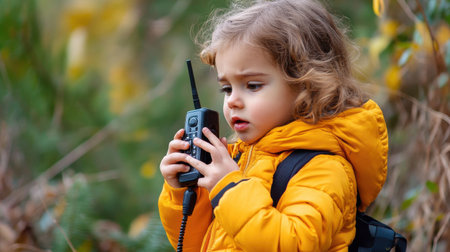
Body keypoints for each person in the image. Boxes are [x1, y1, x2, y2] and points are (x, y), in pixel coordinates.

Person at [158, 0, 388, 251]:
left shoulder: (324, 167)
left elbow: (295, 244)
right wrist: (183, 191)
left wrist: (228, 189)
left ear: (306, 84)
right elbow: (196, 244)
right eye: (226, 88)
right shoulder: (237, 162)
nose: (233, 100)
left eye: (252, 85)